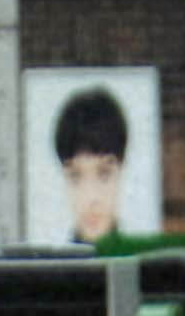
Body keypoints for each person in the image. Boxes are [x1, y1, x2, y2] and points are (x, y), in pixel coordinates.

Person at [47, 84, 137, 248]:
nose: (91, 198)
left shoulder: (144, 271)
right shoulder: (49, 273)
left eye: (104, 175)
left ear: (122, 170)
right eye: (75, 177)